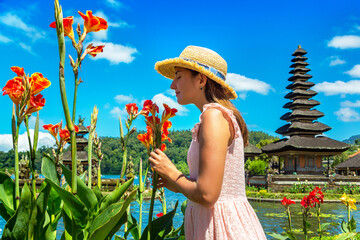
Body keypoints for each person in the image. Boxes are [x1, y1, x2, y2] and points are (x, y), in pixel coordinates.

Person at [148, 46, 267, 239]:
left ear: (201, 79)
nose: (172, 85)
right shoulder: (216, 116)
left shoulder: (213, 116)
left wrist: (170, 170)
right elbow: (212, 185)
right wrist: (179, 184)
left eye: (178, 76)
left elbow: (207, 195)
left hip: (221, 227)